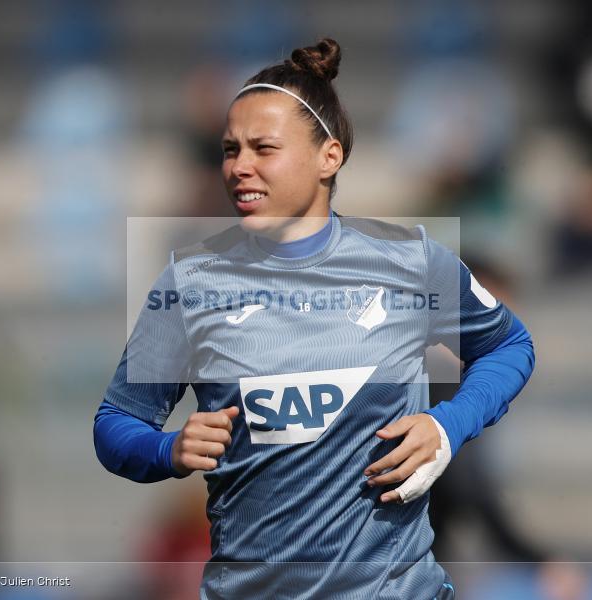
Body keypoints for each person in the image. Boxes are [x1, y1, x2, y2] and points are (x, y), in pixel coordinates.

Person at [93, 38, 535, 600]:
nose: (239, 167)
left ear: (330, 156)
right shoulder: (191, 284)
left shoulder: (411, 262)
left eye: (263, 148)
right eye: (230, 150)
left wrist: (448, 426)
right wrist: (168, 449)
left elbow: (509, 345)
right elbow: (115, 422)